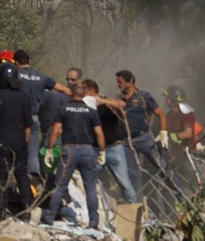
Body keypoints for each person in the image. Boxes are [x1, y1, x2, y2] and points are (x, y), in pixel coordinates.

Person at [41, 81, 105, 229]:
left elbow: (55, 131)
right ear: (83, 94)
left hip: (69, 150)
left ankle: (49, 217)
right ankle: (94, 222)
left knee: (60, 186)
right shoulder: (91, 112)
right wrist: (102, 151)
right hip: (88, 151)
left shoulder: (63, 110)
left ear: (71, 93)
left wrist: (50, 150)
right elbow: (99, 133)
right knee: (90, 188)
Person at [115, 69, 179, 197]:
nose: (117, 85)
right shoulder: (118, 99)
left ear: (129, 83)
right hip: (127, 142)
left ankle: (181, 195)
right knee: (130, 173)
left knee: (162, 167)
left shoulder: (143, 96)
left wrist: (163, 133)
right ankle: (134, 204)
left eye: (120, 82)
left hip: (144, 137)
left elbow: (160, 114)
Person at [0, 63, 32, 218]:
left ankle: (1, 211)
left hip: (1, 142)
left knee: (1, 175)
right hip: (19, 142)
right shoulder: (24, 97)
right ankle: (26, 210)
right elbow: (28, 125)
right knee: (21, 174)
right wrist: (24, 142)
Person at [15, 50, 70, 176]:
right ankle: (32, 178)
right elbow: (62, 89)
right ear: (29, 62)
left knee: (15, 150)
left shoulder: (15, 75)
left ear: (16, 63)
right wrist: (79, 96)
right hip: (34, 118)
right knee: (32, 153)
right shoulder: (41, 76)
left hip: (18, 117)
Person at [84, 80, 138, 204]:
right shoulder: (85, 105)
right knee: (92, 181)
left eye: (85, 91)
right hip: (96, 149)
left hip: (115, 148)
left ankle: (135, 211)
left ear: (91, 91)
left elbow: (121, 104)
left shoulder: (106, 102)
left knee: (125, 184)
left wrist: (101, 101)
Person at [163, 84, 198, 158]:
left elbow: (187, 133)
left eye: (167, 98)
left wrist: (169, 137)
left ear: (174, 99)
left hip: (187, 155)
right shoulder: (169, 114)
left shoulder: (186, 113)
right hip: (174, 154)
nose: (165, 100)